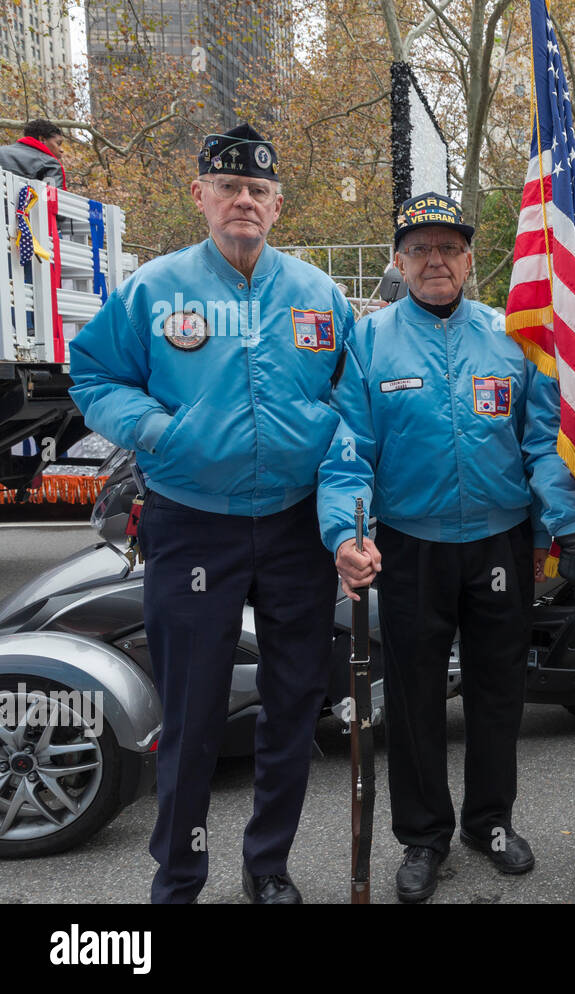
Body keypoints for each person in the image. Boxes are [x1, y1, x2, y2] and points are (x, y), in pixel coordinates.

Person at [69, 124, 353, 904]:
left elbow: (349, 408)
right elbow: (92, 376)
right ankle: (181, 874)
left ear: (277, 204)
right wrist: (161, 430)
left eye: (258, 190)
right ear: (199, 195)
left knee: (294, 707)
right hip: (193, 520)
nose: (243, 201)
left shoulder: (319, 296)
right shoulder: (153, 290)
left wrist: (347, 512)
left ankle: (269, 867)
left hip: (295, 525)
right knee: (193, 715)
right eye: (227, 187)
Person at [318, 192, 575, 903]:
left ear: (471, 259)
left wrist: (562, 528)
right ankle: (424, 836)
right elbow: (349, 456)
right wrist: (348, 536)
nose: (435, 260)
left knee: (499, 692)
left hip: (500, 544)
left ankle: (490, 824)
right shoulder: (370, 342)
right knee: (413, 698)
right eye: (419, 250)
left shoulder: (513, 336)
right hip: (409, 546)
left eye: (448, 248)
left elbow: (541, 443)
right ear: (399, 263)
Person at [0, 119, 67, 189]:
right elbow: (52, 198)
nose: (61, 150)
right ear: (42, 140)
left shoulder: (1, 150)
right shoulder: (50, 163)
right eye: (58, 143)